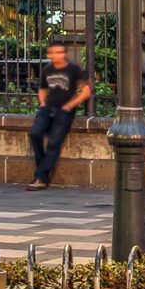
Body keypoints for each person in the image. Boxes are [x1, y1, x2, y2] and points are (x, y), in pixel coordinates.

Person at [26, 41, 93, 191]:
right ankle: (43, 170)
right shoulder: (47, 69)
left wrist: (70, 105)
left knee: (54, 143)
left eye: (60, 52)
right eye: (54, 52)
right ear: (49, 54)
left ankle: (41, 177)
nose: (57, 55)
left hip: (65, 110)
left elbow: (86, 90)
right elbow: (42, 89)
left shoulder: (73, 69)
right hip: (48, 107)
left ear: (65, 54)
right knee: (35, 134)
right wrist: (42, 103)